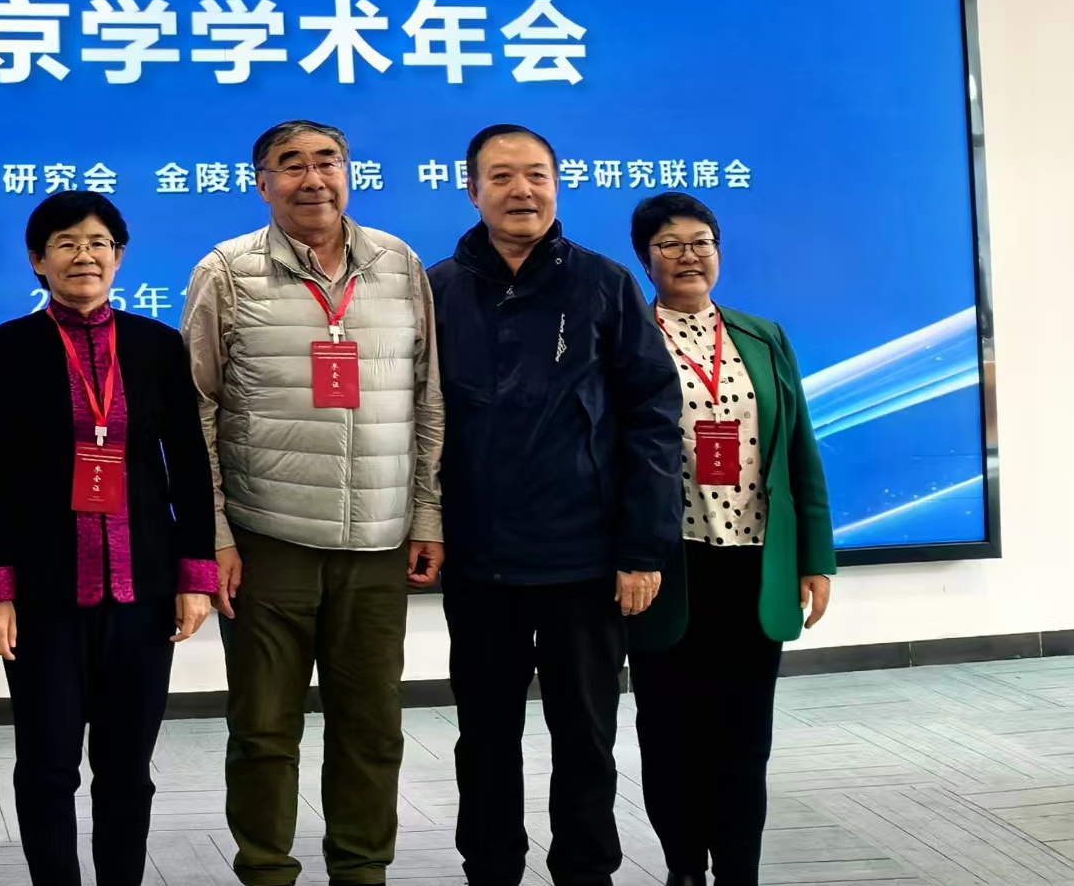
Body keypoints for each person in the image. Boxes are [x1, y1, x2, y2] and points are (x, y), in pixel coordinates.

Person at [180, 120, 445, 886]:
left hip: (377, 541)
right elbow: (197, 410)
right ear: (261, 183)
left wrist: (425, 514)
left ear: (347, 172)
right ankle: (266, 868)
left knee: (373, 725)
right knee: (263, 728)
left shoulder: (398, 263)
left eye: (326, 160)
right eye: (289, 164)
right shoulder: (226, 270)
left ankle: (360, 868)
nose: (311, 178)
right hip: (269, 540)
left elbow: (427, 399)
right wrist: (216, 533)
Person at [427, 124, 682, 886]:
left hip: (584, 561)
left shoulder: (603, 283)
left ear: (556, 184)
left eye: (535, 174)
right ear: (471, 189)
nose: (521, 190)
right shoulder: (435, 288)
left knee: (585, 737)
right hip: (478, 561)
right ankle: (490, 870)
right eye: (501, 176)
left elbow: (652, 419)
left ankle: (586, 871)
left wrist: (642, 547)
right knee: (483, 737)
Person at [0, 191, 217, 886]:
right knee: (48, 765)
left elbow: (190, 466)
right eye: (66, 242)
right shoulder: (3, 350)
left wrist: (195, 575)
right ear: (37, 260)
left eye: (99, 242)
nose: (85, 255)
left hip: (142, 593)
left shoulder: (155, 345)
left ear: (119, 256)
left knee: (127, 766)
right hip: (43, 597)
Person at [624, 192, 837, 886]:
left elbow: (798, 450)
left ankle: (738, 871)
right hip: (667, 567)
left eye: (701, 242)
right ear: (645, 258)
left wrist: (815, 558)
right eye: (669, 244)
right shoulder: (626, 336)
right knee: (670, 734)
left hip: (754, 564)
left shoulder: (762, 336)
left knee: (745, 736)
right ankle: (685, 869)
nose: (688, 255)